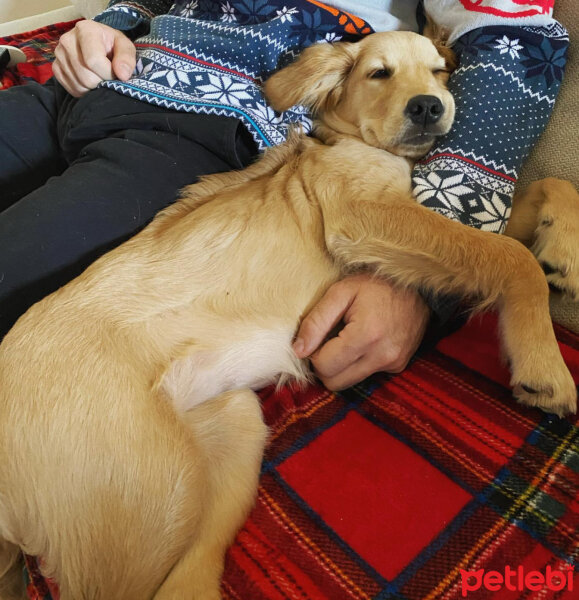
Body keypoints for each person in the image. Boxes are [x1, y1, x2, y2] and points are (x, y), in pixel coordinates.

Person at [0, 0, 568, 391]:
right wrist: (102, 27)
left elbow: (515, 44)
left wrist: (417, 276)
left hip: (195, 128)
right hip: (82, 86)